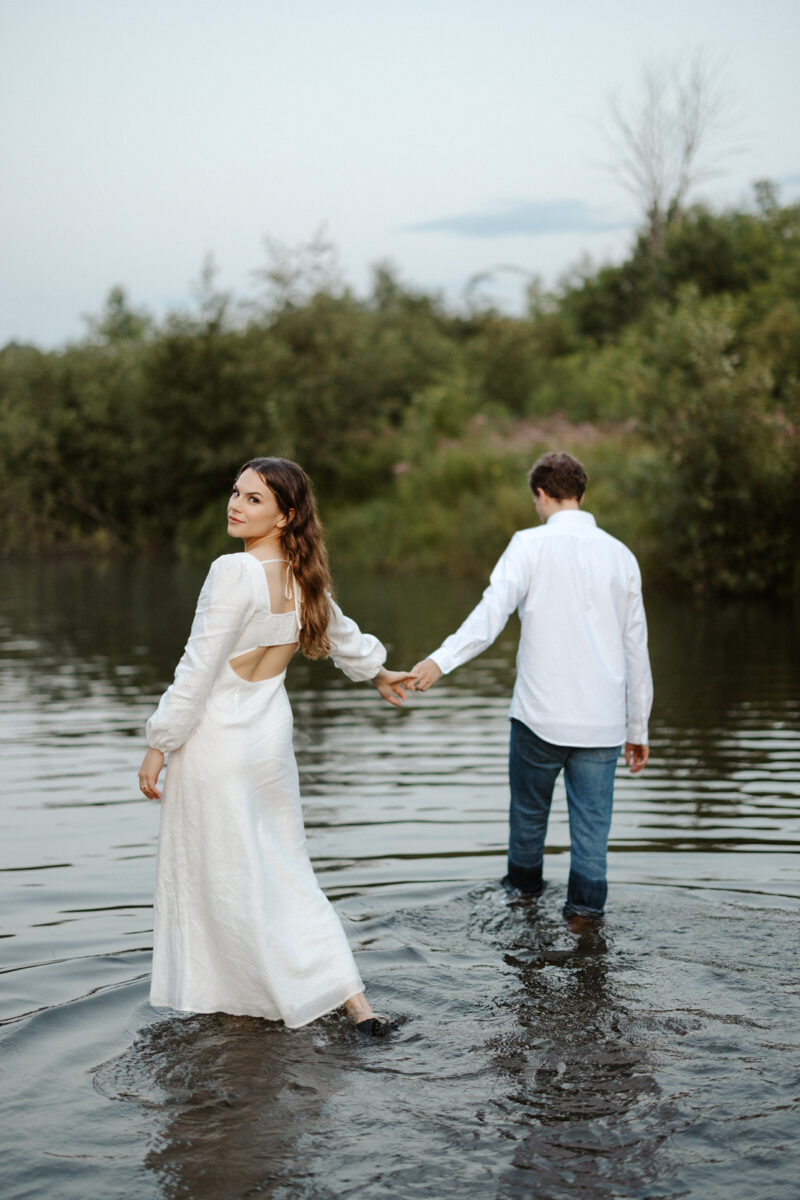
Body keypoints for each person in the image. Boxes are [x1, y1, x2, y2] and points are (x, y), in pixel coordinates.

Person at [138, 456, 413, 1034]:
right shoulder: (302, 575)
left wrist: (159, 742)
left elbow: (197, 667)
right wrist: (380, 673)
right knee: (288, 873)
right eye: (235, 493)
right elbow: (344, 636)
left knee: (226, 879)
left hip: (217, 747)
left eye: (253, 499)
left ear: (285, 516)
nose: (235, 505)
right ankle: (355, 1004)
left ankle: (245, 1005)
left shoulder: (232, 573)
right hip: (267, 746)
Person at [411, 451, 652, 920]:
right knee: (592, 837)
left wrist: (440, 662)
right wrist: (637, 728)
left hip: (538, 720)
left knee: (526, 822)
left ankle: (522, 914)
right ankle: (585, 929)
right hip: (601, 728)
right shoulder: (621, 555)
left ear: (541, 495)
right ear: (581, 495)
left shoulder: (528, 545)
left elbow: (489, 617)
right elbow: (635, 649)